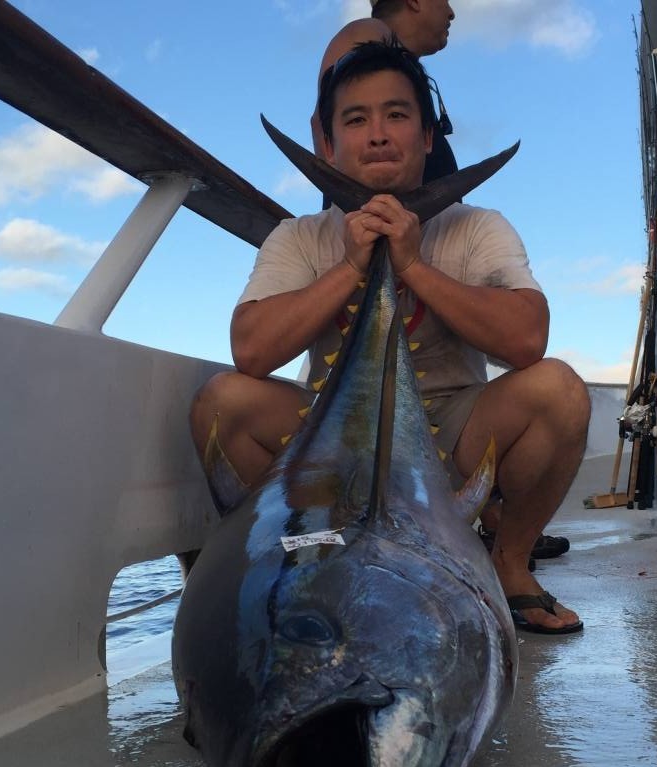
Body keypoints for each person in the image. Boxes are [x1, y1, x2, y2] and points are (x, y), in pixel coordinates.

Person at [190, 41, 590, 635]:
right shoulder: (299, 238)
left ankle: (507, 562)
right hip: (332, 439)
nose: (378, 134)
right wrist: (352, 263)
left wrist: (413, 265)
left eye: (397, 115)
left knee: (558, 391)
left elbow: (527, 338)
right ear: (327, 143)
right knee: (223, 403)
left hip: (453, 439)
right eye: (356, 120)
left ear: (427, 137)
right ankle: (300, 557)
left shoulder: (477, 226)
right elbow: (250, 350)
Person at [312, 0, 458, 190]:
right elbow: (321, 123)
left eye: (396, 115)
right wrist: (356, 208)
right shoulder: (368, 31)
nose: (451, 13)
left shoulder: (409, 76)